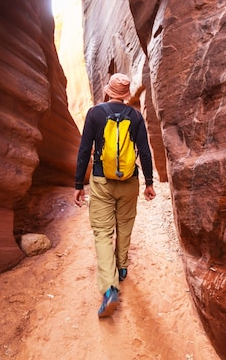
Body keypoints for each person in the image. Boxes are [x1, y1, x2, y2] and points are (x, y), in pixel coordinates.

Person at [74, 73, 156, 318]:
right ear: (126, 95)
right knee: (125, 224)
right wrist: (149, 182)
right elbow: (144, 151)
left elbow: (84, 150)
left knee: (102, 232)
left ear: (109, 91)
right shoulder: (136, 116)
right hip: (129, 181)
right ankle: (122, 268)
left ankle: (110, 288)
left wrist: (79, 183)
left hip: (101, 181)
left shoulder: (95, 114)